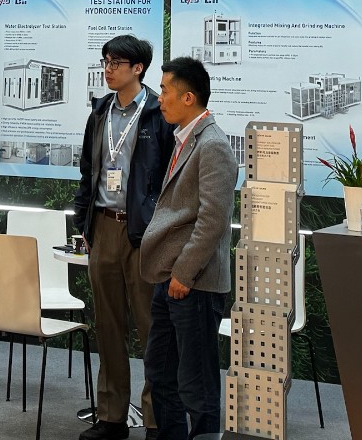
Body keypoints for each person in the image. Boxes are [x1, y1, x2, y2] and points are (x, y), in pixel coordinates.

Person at [73, 34, 173, 440]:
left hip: (143, 233)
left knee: (151, 329)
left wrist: (157, 226)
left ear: (138, 68)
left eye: (116, 62)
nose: (108, 69)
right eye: (105, 61)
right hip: (103, 225)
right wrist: (83, 223)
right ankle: (112, 416)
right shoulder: (99, 112)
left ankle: (155, 419)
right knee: (108, 325)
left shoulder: (158, 113)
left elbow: (169, 178)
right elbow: (88, 170)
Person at [140, 57, 237, 440]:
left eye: (165, 91)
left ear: (188, 97)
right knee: (161, 373)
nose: (159, 98)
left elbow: (213, 220)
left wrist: (183, 273)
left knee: (197, 386)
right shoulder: (185, 139)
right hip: (171, 280)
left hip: (194, 283)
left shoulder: (212, 146)